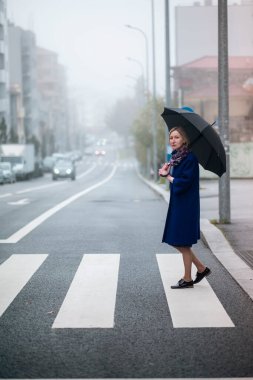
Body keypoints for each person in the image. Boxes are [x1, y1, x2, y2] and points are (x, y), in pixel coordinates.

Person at [159, 126, 211, 289]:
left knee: (182, 241)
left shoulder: (189, 158)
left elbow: (186, 182)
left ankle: (188, 278)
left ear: (184, 140)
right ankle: (201, 268)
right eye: (171, 137)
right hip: (179, 203)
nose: (173, 140)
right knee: (176, 240)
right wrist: (167, 170)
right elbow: (176, 179)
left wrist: (168, 176)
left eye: (176, 137)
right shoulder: (176, 157)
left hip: (186, 205)